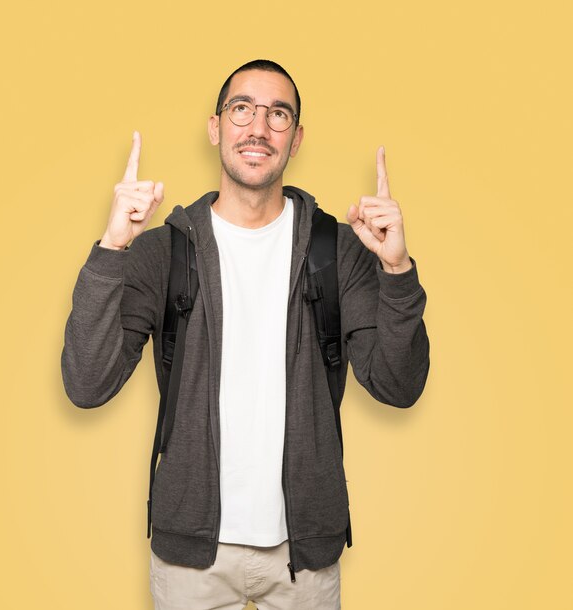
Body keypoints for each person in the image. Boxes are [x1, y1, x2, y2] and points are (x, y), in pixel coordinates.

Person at [61, 59, 430, 610]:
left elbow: (399, 386)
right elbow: (87, 385)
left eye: (277, 114)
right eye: (242, 110)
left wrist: (396, 272)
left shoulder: (340, 250)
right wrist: (112, 250)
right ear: (215, 128)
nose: (258, 128)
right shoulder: (164, 251)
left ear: (296, 138)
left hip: (303, 556)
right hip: (191, 559)